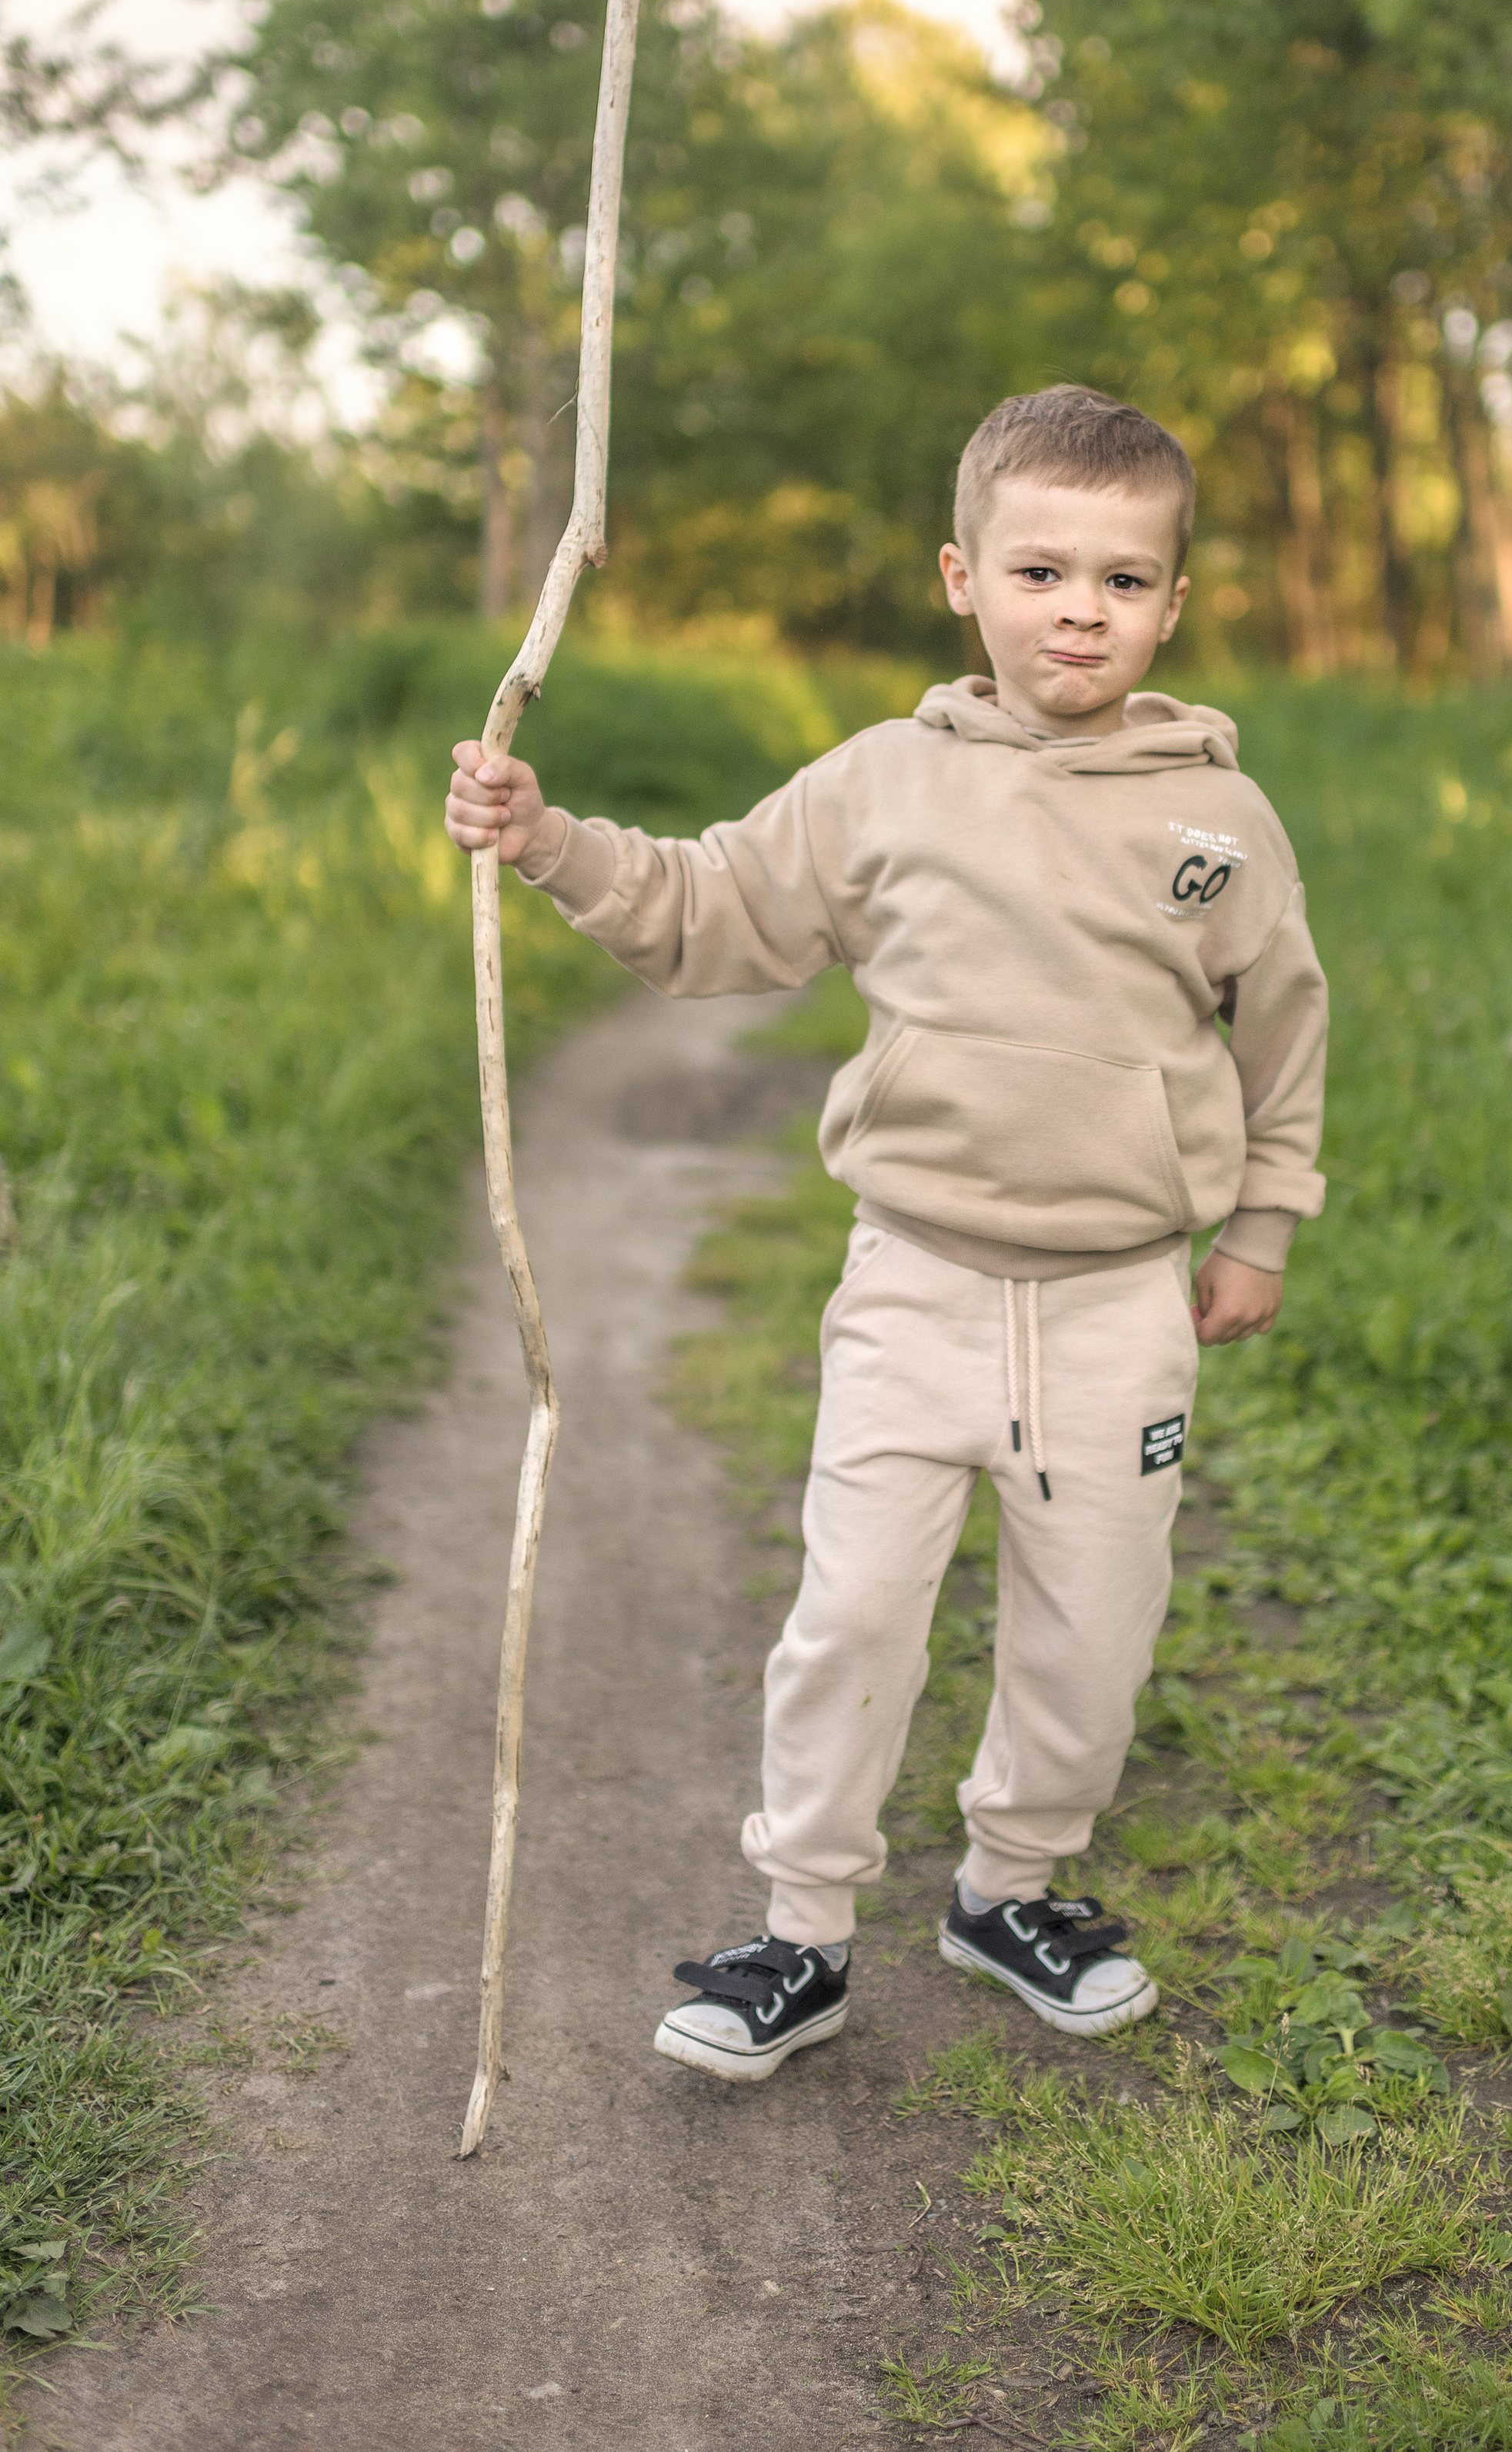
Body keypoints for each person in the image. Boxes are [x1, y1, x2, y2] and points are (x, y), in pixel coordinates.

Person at [444, 385, 1328, 2083]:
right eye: (1040, 568)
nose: (1080, 607)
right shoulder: (881, 787)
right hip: (912, 1283)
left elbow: (1282, 1033)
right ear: (959, 576)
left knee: (1092, 1623)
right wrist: (548, 843)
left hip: (1116, 1300)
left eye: (1124, 580)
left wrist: (1261, 1223)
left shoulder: (1218, 828)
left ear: (1173, 604)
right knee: (851, 1612)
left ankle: (1012, 1890)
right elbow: (711, 909)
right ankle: (800, 1934)